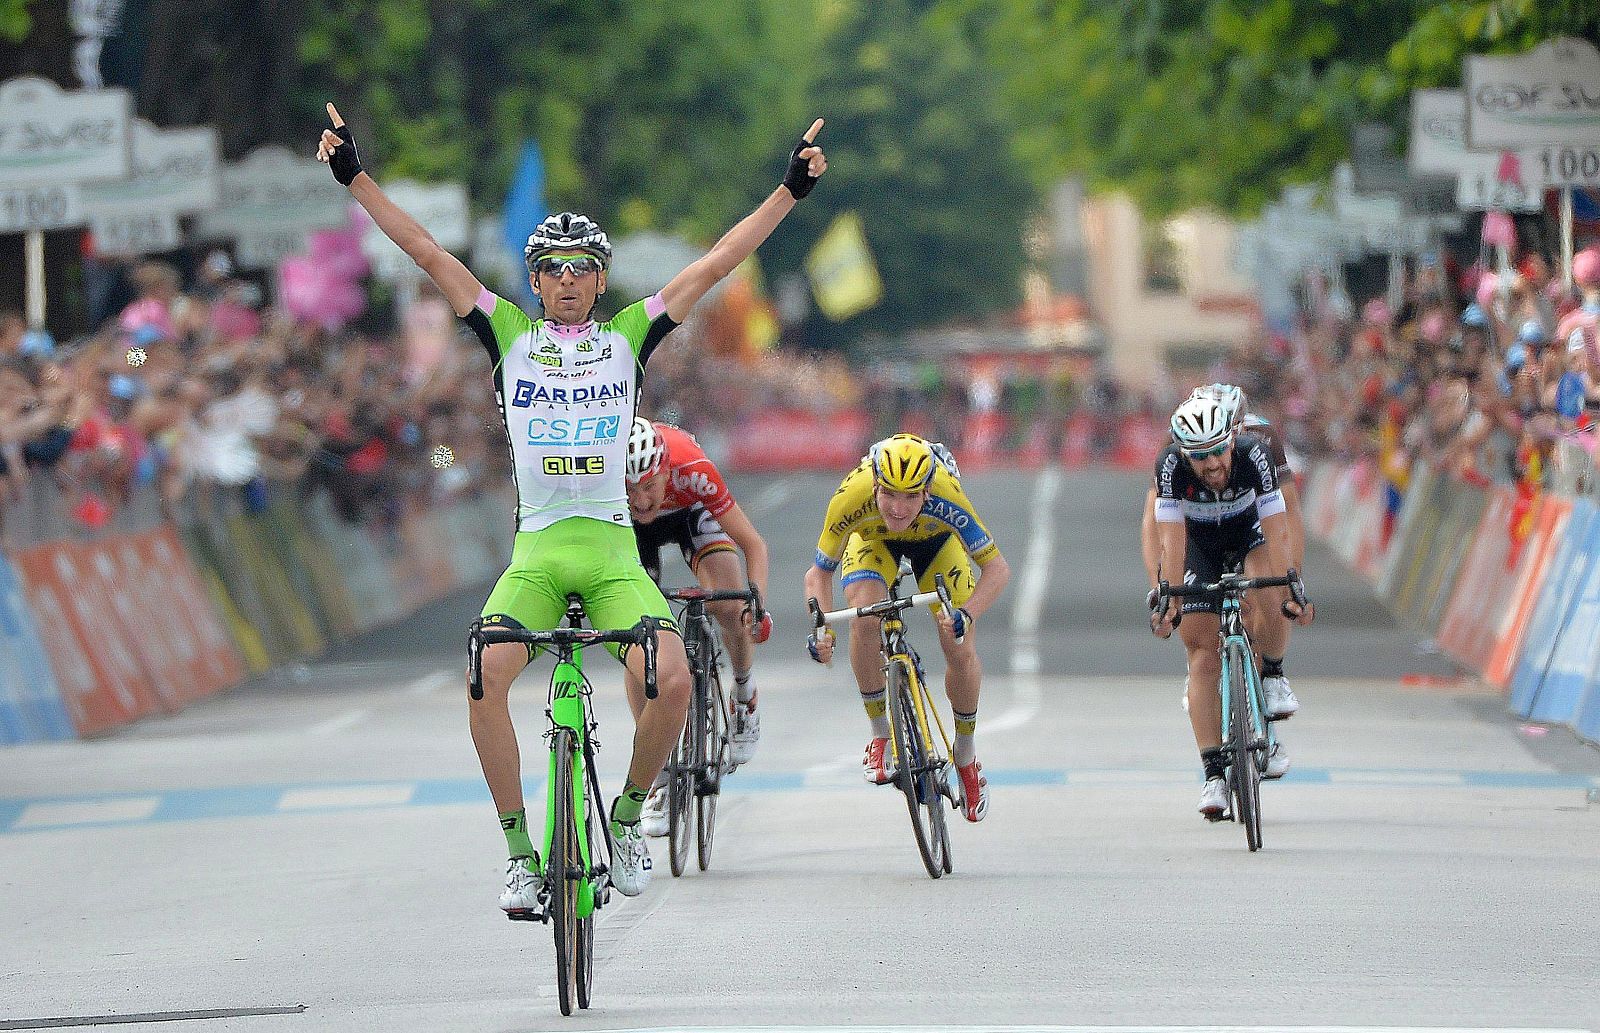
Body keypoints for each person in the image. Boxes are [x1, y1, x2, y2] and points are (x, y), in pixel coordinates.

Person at [318, 103, 827, 910]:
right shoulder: (507, 332)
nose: (563, 279)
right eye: (550, 267)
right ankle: (522, 852)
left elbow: (719, 260)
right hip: (539, 553)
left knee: (672, 677)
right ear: (534, 279)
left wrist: (788, 193)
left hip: (614, 549)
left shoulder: (628, 335)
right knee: (484, 676)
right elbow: (423, 250)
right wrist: (354, 178)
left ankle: (625, 820)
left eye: (578, 266)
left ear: (599, 277)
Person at [802, 433, 1010, 822]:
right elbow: (818, 574)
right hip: (872, 543)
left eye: (912, 496)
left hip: (936, 544)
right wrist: (821, 631)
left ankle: (965, 757)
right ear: (875, 484)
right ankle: (882, 734)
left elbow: (997, 570)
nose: (898, 508)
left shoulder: (949, 495)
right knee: (864, 615)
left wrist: (968, 614)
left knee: (959, 644)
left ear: (928, 489)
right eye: (889, 495)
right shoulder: (850, 496)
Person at [1148, 395, 1313, 819]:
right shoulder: (1168, 466)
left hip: (1249, 534)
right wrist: (1167, 592)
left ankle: (1273, 673)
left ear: (1232, 439)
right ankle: (1214, 773)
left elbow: (1278, 531)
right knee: (1201, 652)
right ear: (1185, 454)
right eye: (1200, 458)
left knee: (1270, 594)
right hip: (1199, 543)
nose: (1214, 464)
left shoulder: (1255, 453)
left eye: (1219, 450)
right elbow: (1170, 539)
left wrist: (1291, 582)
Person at [623, 417, 772, 835]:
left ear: (666, 470)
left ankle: (744, 693)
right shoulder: (611, 492)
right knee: (637, 641)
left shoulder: (693, 471)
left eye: (649, 486)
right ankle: (659, 766)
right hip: (633, 535)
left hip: (692, 512)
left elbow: (753, 544)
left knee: (728, 604)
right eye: (629, 488)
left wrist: (754, 601)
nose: (640, 498)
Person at [1140, 383, 1304, 718]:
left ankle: (1271, 680)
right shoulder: (1176, 442)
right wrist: (1160, 590)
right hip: (1196, 527)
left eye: (1231, 430)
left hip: (1251, 522)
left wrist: (1291, 579)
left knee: (1264, 597)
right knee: (1199, 629)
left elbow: (1288, 515)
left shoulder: (1262, 439)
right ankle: (1201, 674)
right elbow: (1154, 525)